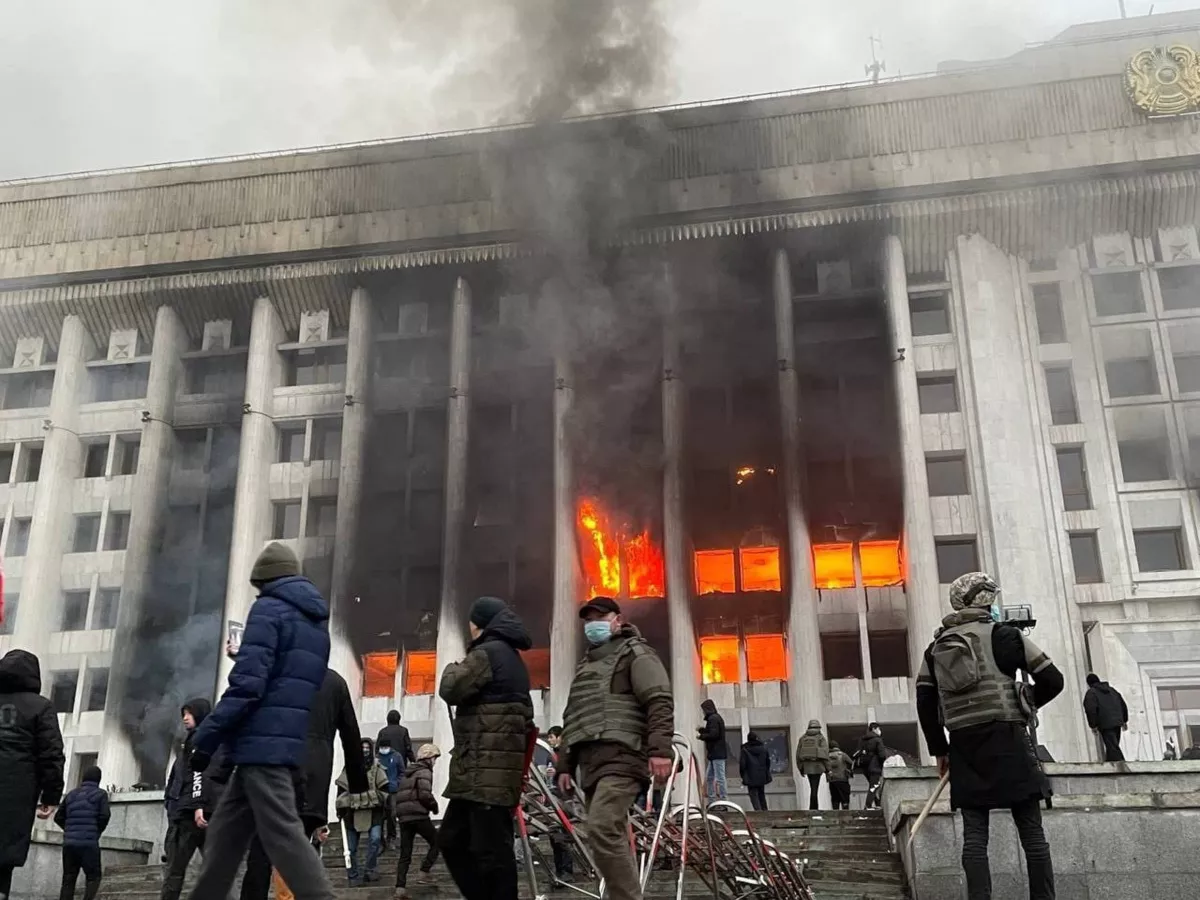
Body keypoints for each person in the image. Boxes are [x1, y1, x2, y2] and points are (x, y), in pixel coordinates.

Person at [183, 542, 335, 900]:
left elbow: (248, 687)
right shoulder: (314, 623)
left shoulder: (268, 609)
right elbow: (285, 681)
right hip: (279, 741)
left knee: (284, 836)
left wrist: (205, 738)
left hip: (261, 745)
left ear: (263, 580)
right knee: (223, 840)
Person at [916, 571, 1064, 900]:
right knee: (1032, 833)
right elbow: (1053, 679)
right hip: (1009, 738)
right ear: (987, 601)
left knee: (974, 836)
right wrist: (1026, 701)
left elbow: (925, 702)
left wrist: (940, 751)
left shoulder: (936, 648)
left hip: (965, 746)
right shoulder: (1006, 636)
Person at [558, 596, 675, 900]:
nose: (592, 624)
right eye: (588, 619)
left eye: (600, 616)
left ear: (618, 620)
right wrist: (564, 765)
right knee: (610, 834)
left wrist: (660, 750)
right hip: (591, 764)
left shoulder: (637, 655)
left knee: (602, 826)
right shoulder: (586, 666)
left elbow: (659, 702)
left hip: (624, 756)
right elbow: (574, 716)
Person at [437, 596, 535, 900]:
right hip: (482, 771)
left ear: (479, 623)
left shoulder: (488, 653)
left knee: (491, 850)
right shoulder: (510, 655)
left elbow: (450, 688)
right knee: (454, 839)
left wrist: (454, 666)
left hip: (486, 769)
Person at [0, 648, 66, 900]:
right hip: (16, 795)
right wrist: (51, 796)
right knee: (4, 856)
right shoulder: (41, 707)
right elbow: (51, 753)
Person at [161, 700, 231, 900]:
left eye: (189, 713)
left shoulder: (206, 739)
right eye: (183, 713)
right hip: (184, 814)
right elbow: (177, 779)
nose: (184, 718)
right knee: (177, 871)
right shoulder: (190, 741)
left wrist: (198, 804)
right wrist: (170, 805)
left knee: (182, 872)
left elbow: (203, 773)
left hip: (198, 814)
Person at [336, 737, 392, 886]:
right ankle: (353, 875)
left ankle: (370, 869)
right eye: (362, 748)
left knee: (374, 840)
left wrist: (379, 801)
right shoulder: (349, 767)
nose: (365, 750)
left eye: (367, 748)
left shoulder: (377, 767)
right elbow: (341, 789)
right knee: (351, 848)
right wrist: (340, 807)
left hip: (374, 812)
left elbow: (385, 789)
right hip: (352, 813)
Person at [393, 744, 442, 899]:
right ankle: (424, 871)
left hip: (404, 818)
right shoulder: (425, 771)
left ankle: (400, 888)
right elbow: (425, 794)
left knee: (405, 854)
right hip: (418, 815)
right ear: (428, 758)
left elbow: (399, 796)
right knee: (438, 841)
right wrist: (434, 807)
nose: (435, 762)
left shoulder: (408, 773)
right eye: (434, 758)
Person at [54, 764, 110, 900]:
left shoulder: (71, 794)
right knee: (93, 878)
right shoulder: (101, 794)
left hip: (69, 844)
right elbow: (104, 816)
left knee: (68, 879)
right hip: (89, 843)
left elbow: (58, 817)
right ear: (98, 779)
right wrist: (96, 831)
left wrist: (69, 830)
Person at [378, 711, 414, 848]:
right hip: (397, 776)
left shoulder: (382, 732)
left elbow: (377, 751)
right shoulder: (404, 731)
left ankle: (384, 839)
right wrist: (414, 762)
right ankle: (391, 837)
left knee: (383, 813)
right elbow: (408, 749)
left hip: (384, 779)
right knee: (394, 811)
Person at [1083, 673, 1128, 762]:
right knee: (1112, 745)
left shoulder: (1091, 693)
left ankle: (1122, 765)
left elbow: (1090, 709)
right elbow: (1122, 704)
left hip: (1105, 723)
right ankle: (1111, 764)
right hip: (1117, 722)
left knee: (1112, 746)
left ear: (1089, 683)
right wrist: (1124, 720)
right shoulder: (1112, 690)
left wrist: (1093, 725)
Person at [795, 720, 829, 810]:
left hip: (807, 767)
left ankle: (813, 807)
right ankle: (814, 808)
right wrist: (828, 769)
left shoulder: (803, 738)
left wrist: (800, 768)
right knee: (815, 789)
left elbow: (798, 755)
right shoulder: (821, 738)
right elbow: (825, 754)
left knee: (813, 787)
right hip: (818, 767)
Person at [697, 699, 727, 800]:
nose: (703, 712)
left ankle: (723, 801)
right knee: (710, 778)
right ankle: (713, 800)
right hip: (714, 754)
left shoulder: (713, 719)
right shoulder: (715, 718)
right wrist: (702, 731)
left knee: (719, 778)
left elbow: (714, 734)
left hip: (717, 753)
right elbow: (713, 731)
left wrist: (701, 736)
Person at [855, 723, 887, 810]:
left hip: (864, 767)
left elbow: (858, 752)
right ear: (874, 729)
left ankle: (877, 804)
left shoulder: (862, 740)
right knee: (874, 786)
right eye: (878, 729)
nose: (879, 731)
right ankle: (867, 806)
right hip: (875, 767)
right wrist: (882, 763)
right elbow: (882, 755)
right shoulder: (877, 740)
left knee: (873, 785)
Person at [377, 738, 402, 849]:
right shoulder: (377, 758)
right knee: (380, 817)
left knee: (392, 814)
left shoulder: (397, 756)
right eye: (381, 747)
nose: (383, 749)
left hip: (393, 790)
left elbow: (402, 771)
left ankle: (391, 837)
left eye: (385, 747)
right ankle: (380, 840)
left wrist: (397, 782)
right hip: (380, 791)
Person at [738, 732, 772, 811]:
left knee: (753, 796)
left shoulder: (745, 750)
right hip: (761, 775)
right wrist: (765, 772)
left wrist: (743, 775)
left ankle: (758, 812)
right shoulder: (763, 748)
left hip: (750, 776)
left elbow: (742, 765)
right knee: (761, 795)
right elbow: (768, 762)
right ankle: (765, 812)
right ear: (756, 738)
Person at [827, 741, 854, 810]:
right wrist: (849, 771)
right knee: (844, 798)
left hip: (832, 780)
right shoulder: (842, 755)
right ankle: (846, 815)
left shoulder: (827, 756)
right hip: (843, 779)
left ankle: (835, 814)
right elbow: (852, 763)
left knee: (835, 798)